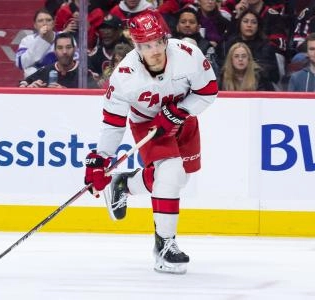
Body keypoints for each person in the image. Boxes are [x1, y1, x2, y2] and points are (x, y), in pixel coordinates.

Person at [83, 11, 218, 274]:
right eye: (146, 45)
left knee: (181, 178)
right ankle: (165, 245)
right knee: (169, 174)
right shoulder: (123, 77)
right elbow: (113, 123)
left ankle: (124, 184)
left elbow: (208, 92)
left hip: (183, 117)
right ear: (136, 46)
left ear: (165, 38)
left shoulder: (188, 55)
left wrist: (178, 113)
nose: (154, 50)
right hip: (148, 125)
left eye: (157, 42)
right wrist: (100, 160)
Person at [217, 9, 280, 85]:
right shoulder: (228, 44)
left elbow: (273, 75)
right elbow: (222, 68)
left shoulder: (266, 46)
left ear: (258, 26)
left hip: (258, 85)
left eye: (253, 22)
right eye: (245, 21)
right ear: (240, 24)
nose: (249, 25)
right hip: (232, 84)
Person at [19, 32, 96, 88]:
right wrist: (29, 88)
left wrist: (64, 92)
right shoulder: (45, 70)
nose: (64, 52)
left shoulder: (85, 74)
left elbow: (95, 100)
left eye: (68, 47)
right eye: (60, 48)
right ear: (55, 51)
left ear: (75, 49)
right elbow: (21, 85)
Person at [15, 8, 60, 78]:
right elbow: (21, 64)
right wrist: (41, 40)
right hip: (34, 83)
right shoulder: (27, 40)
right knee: (30, 71)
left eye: (48, 20)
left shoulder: (64, 38)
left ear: (53, 23)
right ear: (35, 25)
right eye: (40, 21)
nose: (44, 23)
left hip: (60, 80)